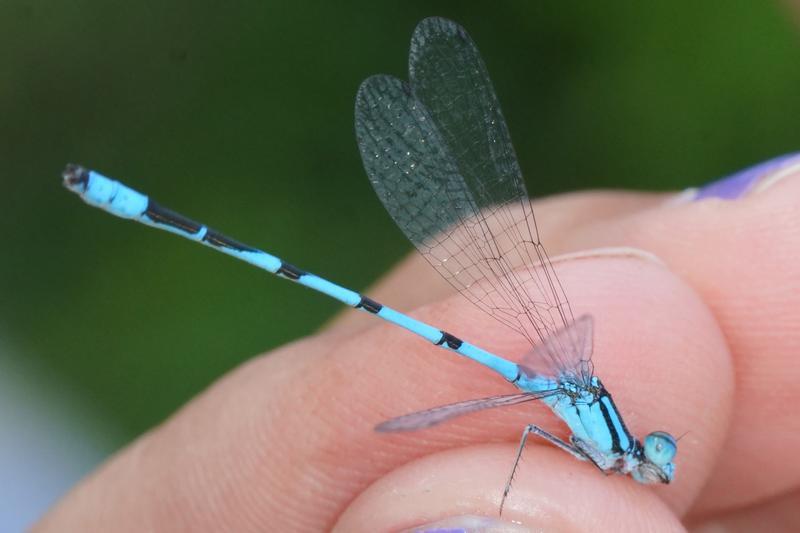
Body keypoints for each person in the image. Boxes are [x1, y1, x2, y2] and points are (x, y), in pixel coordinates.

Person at [34, 155, 800, 531]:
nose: (648, 466)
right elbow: (535, 430)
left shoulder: (603, 428)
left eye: (649, 461)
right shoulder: (595, 416)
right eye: (647, 459)